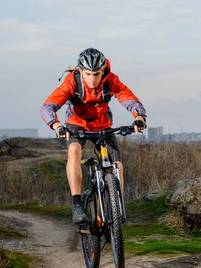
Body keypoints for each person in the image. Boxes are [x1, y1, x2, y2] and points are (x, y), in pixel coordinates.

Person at [40, 48, 147, 224]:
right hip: (77, 124)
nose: (93, 79)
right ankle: (77, 206)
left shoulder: (111, 80)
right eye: (88, 74)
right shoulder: (72, 81)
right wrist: (57, 124)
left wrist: (139, 117)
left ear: (103, 70)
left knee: (117, 164)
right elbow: (48, 107)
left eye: (96, 74)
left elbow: (128, 98)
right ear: (80, 71)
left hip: (102, 124)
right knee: (74, 149)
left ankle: (116, 205)